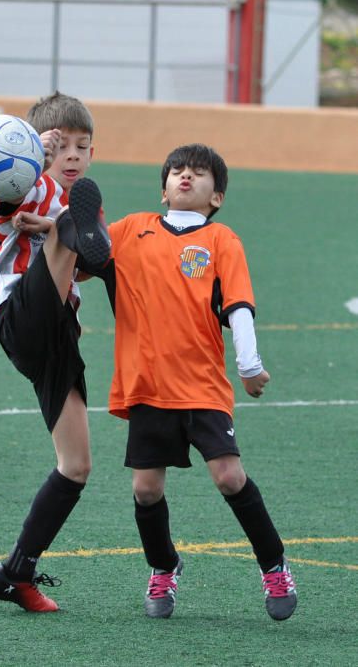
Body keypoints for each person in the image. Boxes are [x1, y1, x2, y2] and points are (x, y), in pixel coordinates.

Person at [82, 143, 297, 622]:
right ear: (163, 189)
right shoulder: (129, 230)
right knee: (146, 491)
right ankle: (163, 566)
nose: (184, 177)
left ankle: (274, 564)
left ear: (215, 196)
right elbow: (81, 263)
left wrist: (249, 364)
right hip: (145, 385)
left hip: (201, 385)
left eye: (198, 174)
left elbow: (238, 304)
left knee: (228, 476)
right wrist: (52, 233)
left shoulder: (222, 240)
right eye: (176, 171)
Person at [0, 92, 110, 612]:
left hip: (57, 337)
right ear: (36, 151)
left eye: (83, 146)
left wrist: (84, 248)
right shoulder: (26, 185)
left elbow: (88, 267)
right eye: (62, 146)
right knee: (67, 228)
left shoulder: (86, 202)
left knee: (75, 465)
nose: (73, 154)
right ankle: (67, 234)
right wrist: (35, 159)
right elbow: (4, 202)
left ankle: (14, 571)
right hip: (19, 316)